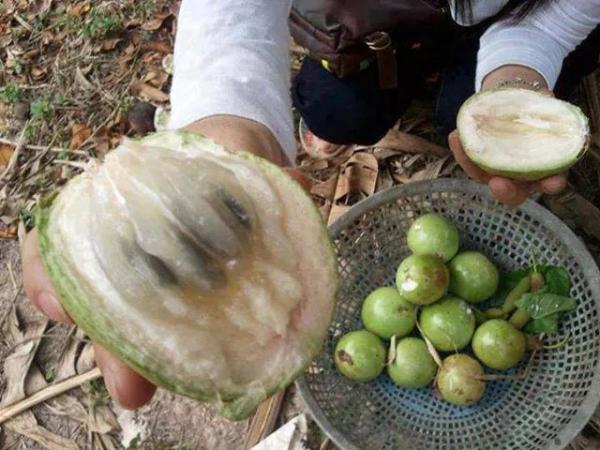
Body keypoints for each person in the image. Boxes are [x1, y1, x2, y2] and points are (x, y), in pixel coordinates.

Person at [22, 0, 600, 409]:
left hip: (508, 13)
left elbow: (560, 14)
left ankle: (454, 80)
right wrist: (230, 121)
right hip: (371, 25)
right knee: (334, 107)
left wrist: (517, 73)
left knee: (459, 110)